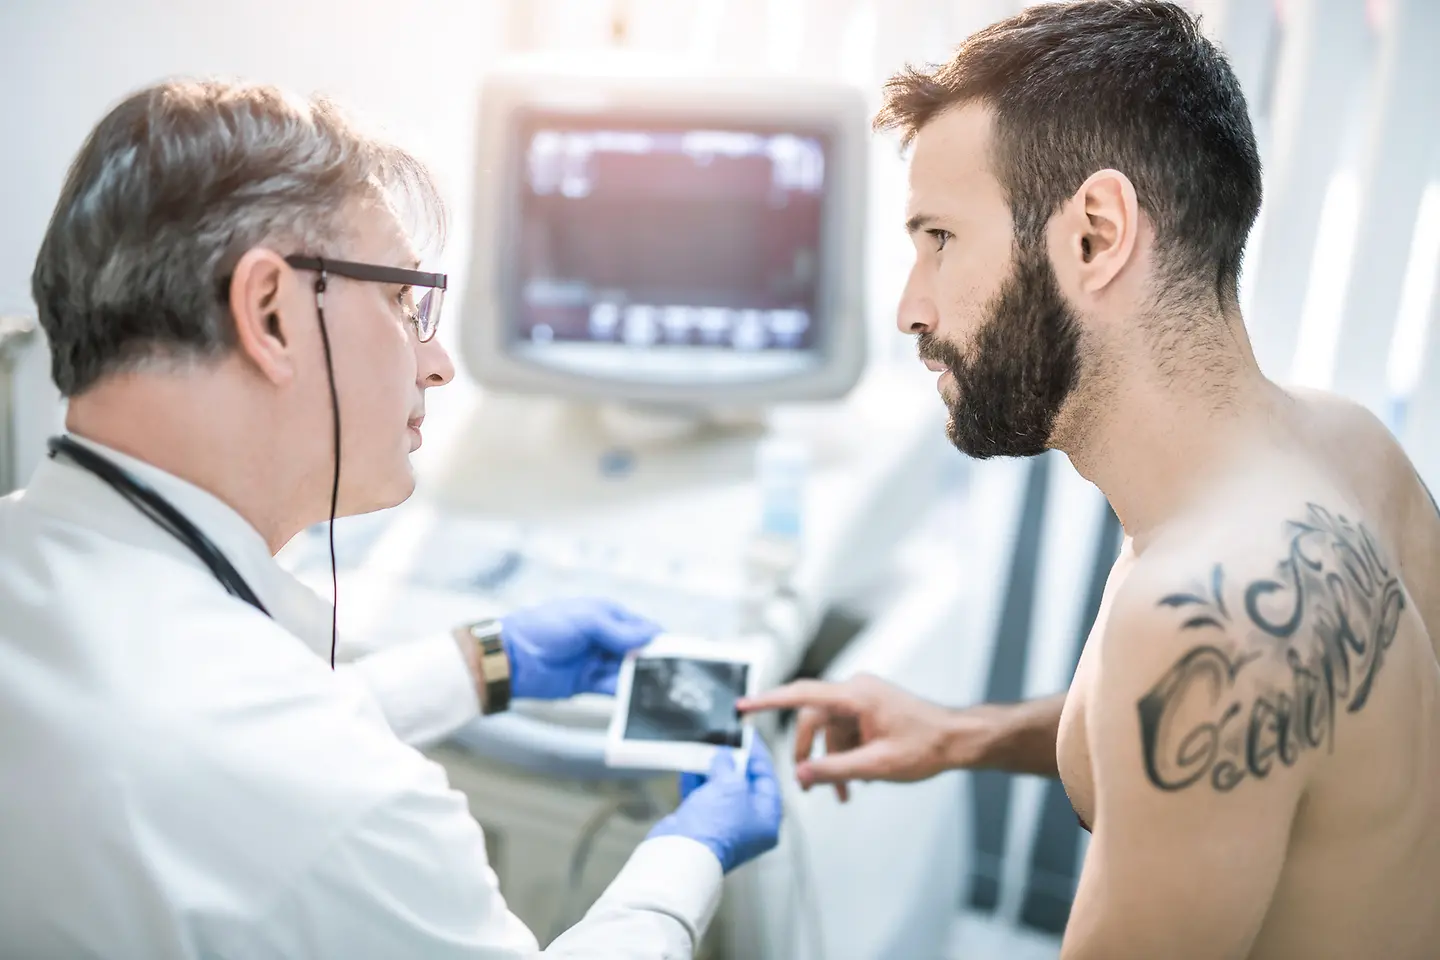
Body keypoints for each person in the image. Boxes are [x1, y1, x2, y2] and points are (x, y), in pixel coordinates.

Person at [0, 79, 780, 959]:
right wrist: (688, 858)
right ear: (270, 313)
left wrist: (476, 666)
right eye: (405, 302)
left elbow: (219, 761)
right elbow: (278, 773)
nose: (437, 363)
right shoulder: (347, 798)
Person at [741, 1, 1440, 956]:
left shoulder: (1198, 607)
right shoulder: (1347, 447)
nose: (911, 309)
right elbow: (1249, 737)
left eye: (940, 239)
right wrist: (960, 735)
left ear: (1096, 235)